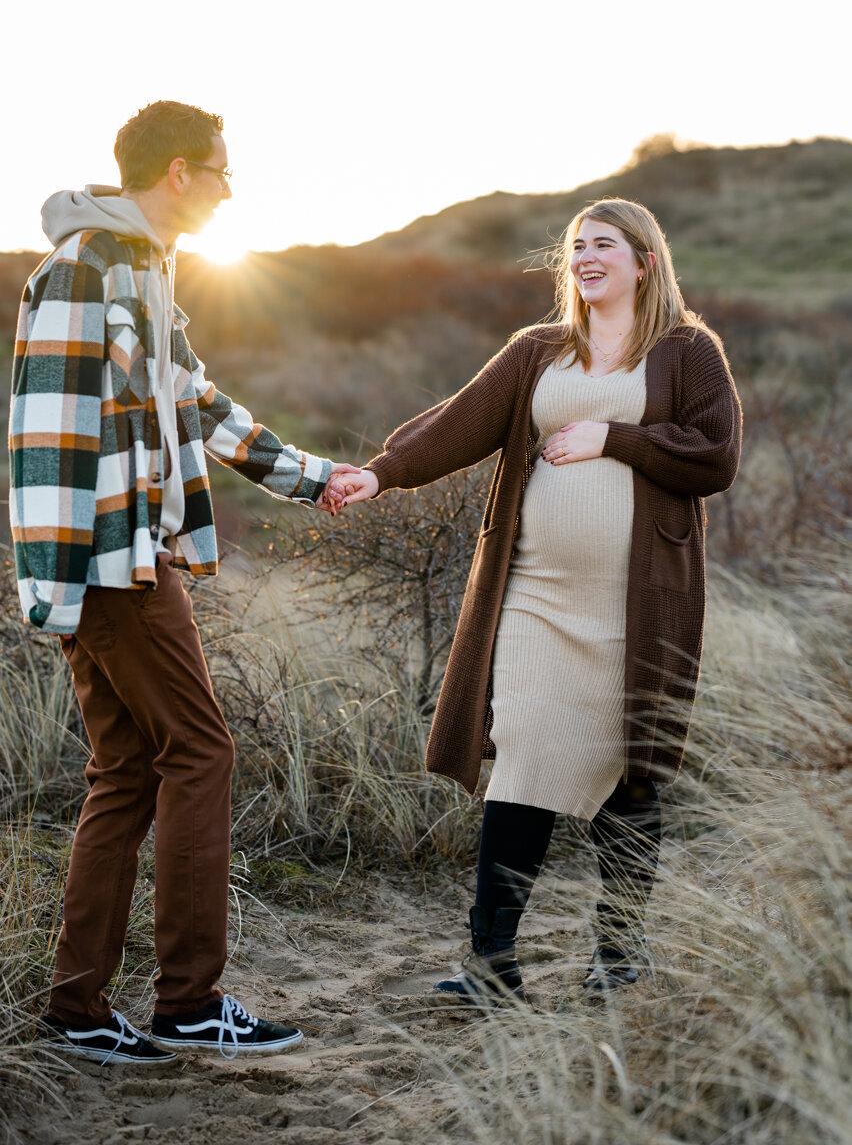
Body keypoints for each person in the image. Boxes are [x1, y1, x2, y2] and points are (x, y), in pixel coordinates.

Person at [9, 100, 355, 1063]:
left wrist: (314, 479)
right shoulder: (84, 269)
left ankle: (77, 1010)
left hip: (120, 556)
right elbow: (45, 434)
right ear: (176, 175)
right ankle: (190, 1002)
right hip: (107, 563)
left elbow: (195, 399)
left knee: (125, 771)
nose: (228, 190)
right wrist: (62, 579)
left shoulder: (144, 270)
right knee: (200, 752)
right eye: (220, 172)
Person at [334, 198, 742, 1002]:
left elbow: (715, 453)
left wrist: (610, 437)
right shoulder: (538, 352)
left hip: (640, 603)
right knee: (520, 746)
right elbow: (461, 423)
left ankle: (619, 953)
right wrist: (380, 472)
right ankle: (492, 964)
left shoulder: (688, 350)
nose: (587, 257)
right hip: (534, 595)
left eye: (605, 245)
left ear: (644, 260)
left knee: (629, 768)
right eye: (577, 246)